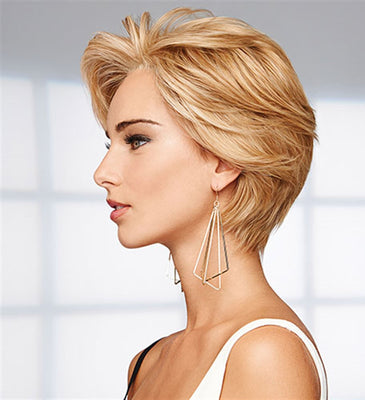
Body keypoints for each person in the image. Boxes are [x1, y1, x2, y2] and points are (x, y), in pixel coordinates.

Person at [81, 7, 327, 400]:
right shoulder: (146, 363)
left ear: (223, 161)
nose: (102, 172)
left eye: (136, 140)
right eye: (110, 143)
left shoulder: (265, 354)